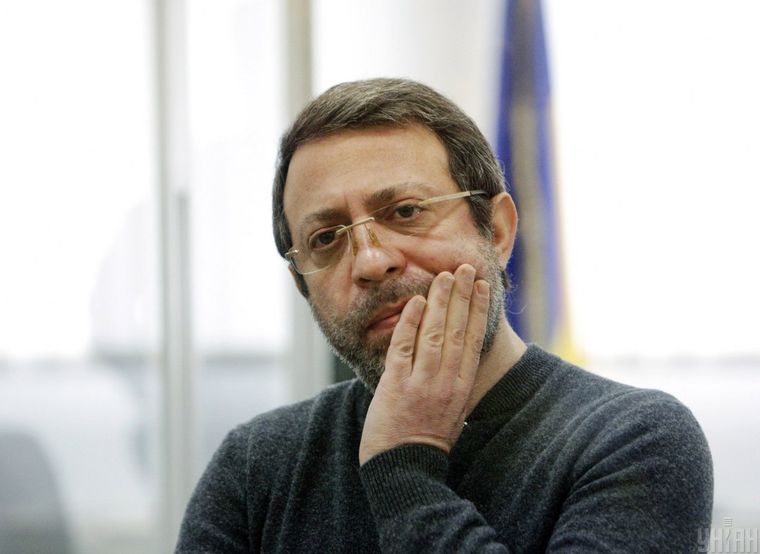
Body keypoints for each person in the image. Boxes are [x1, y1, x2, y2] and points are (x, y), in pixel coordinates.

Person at [175, 78, 713, 553]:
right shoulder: (256, 465)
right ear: (302, 286)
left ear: (496, 231)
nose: (371, 261)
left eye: (405, 211)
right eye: (326, 238)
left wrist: (403, 466)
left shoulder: (635, 439)